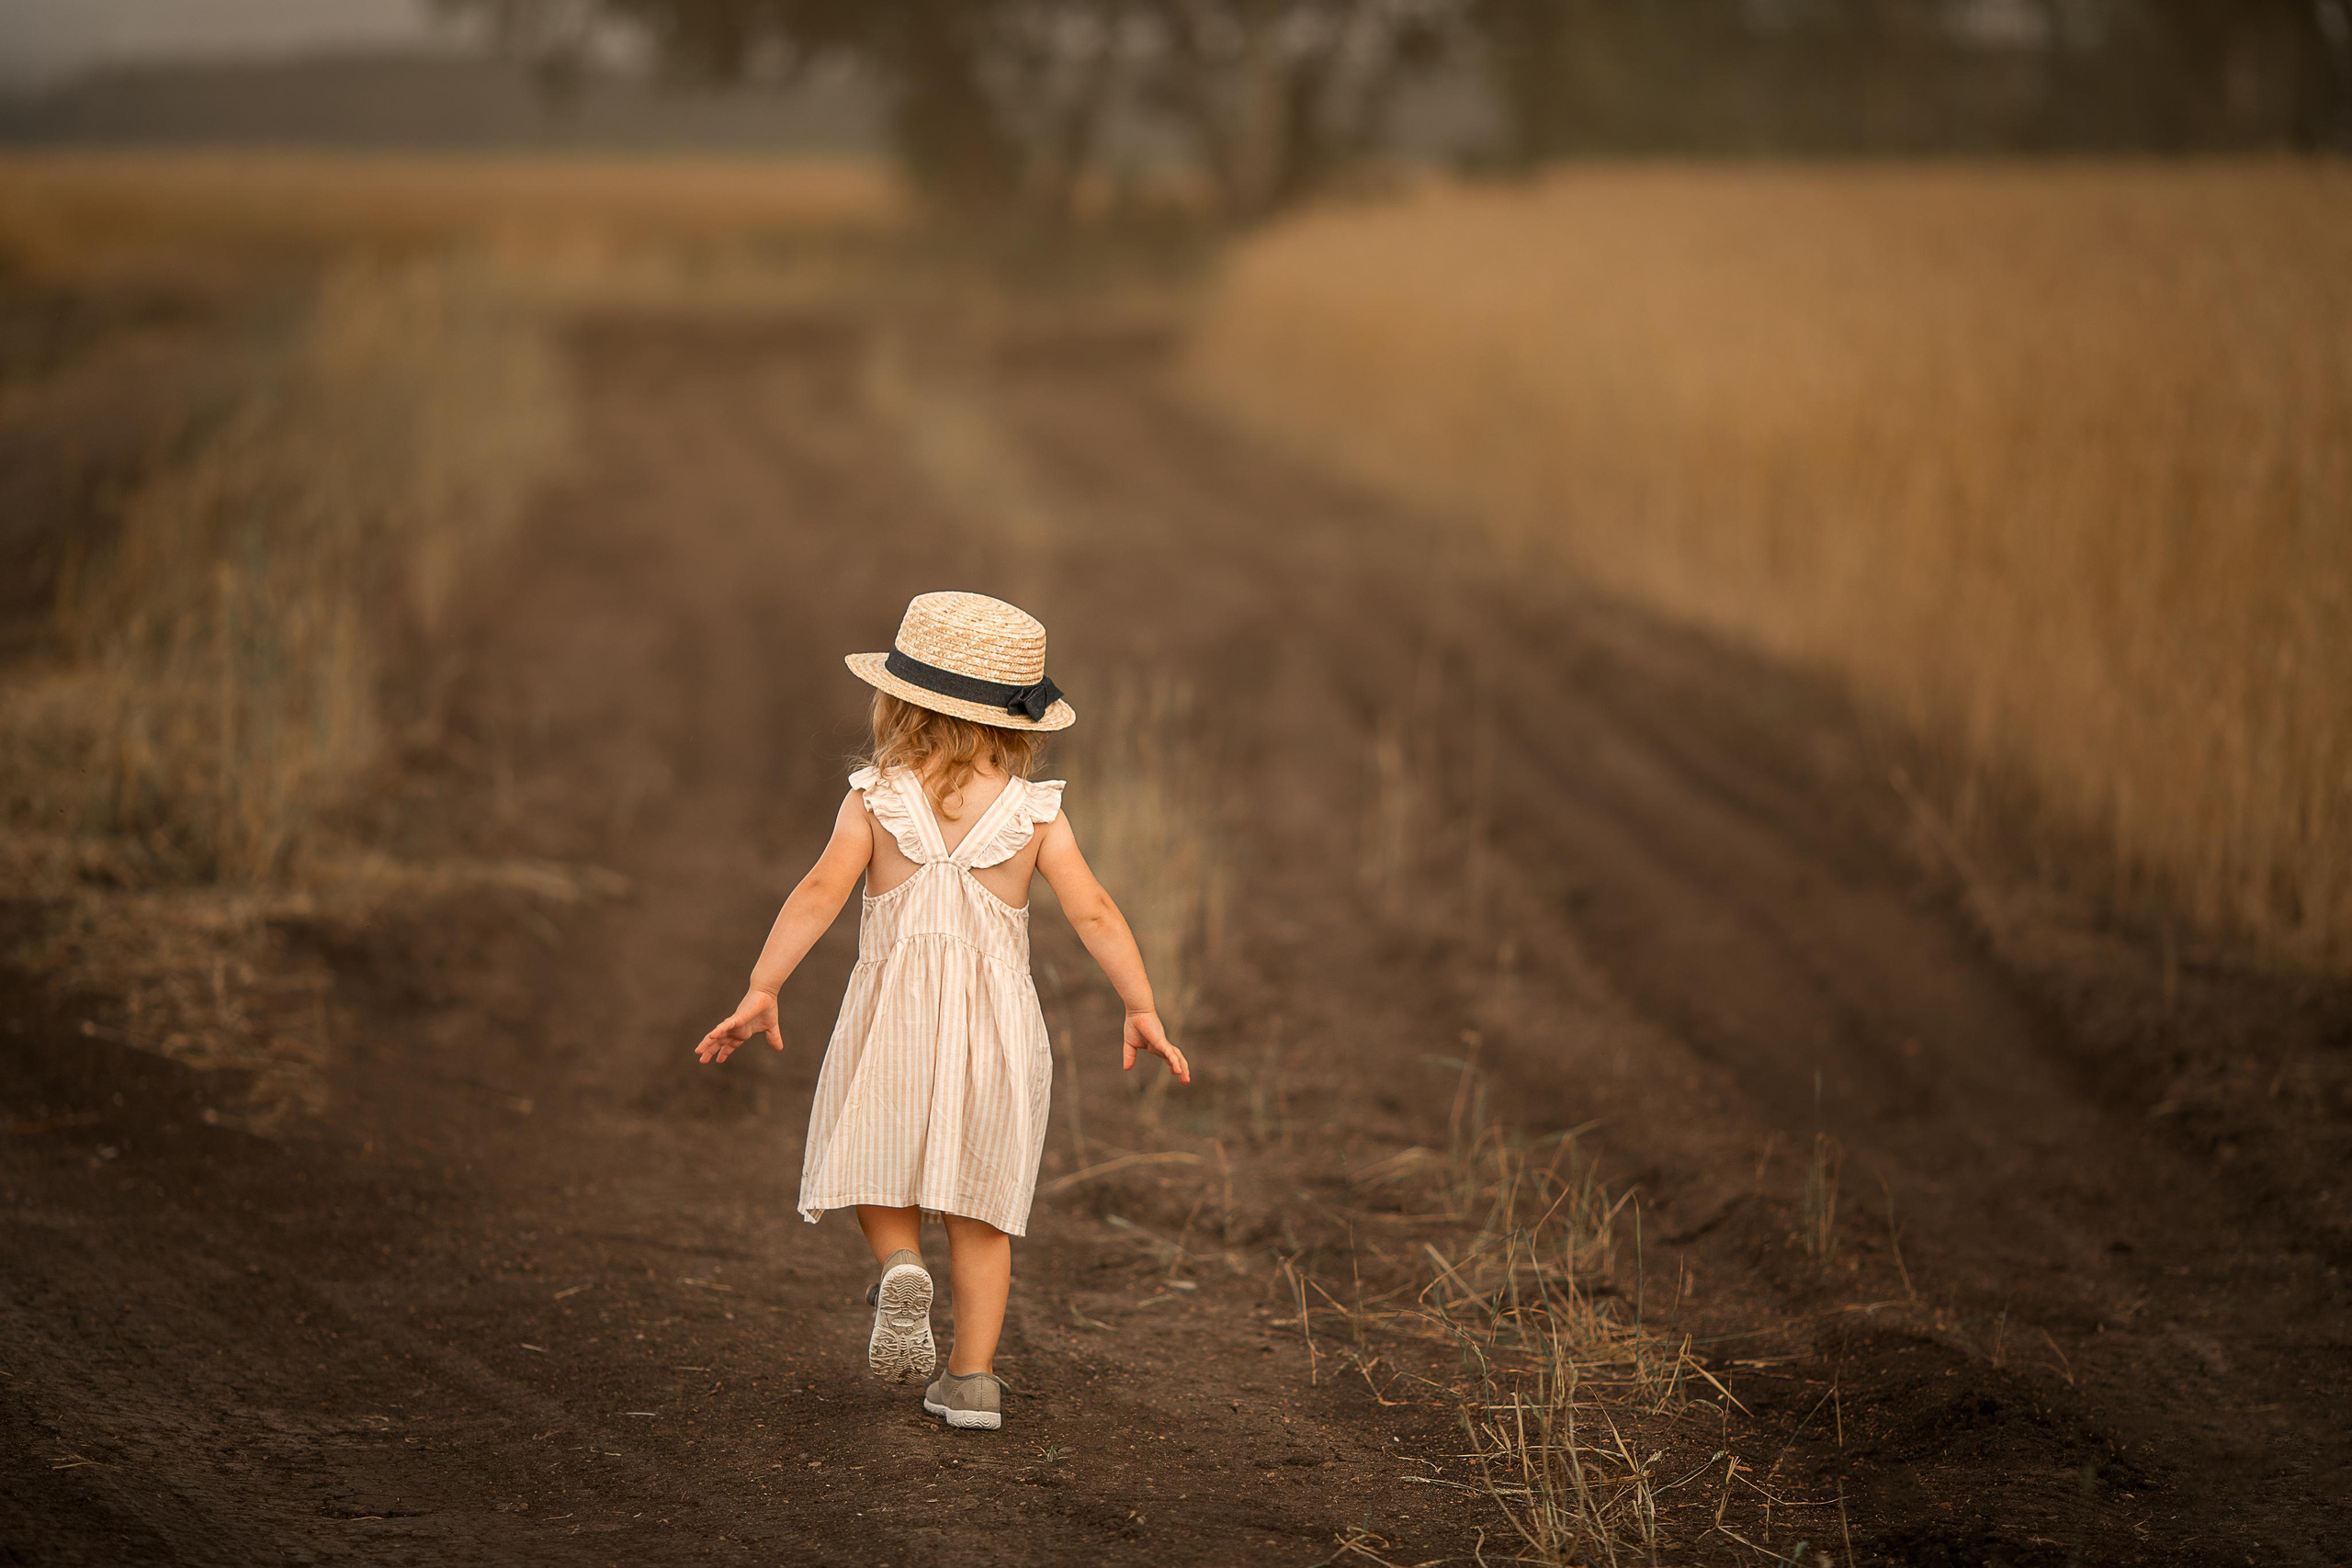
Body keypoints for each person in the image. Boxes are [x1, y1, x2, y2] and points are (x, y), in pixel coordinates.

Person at [693, 590, 1189, 1432]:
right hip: (997, 1032)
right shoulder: (1037, 814)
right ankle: (972, 1382)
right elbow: (1095, 911)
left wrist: (762, 986)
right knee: (981, 1206)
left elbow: (819, 891)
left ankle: (897, 1265)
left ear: (899, 702)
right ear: (1021, 722)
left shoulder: (876, 797)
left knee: (876, 1159)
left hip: (893, 1015)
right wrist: (1141, 1004)